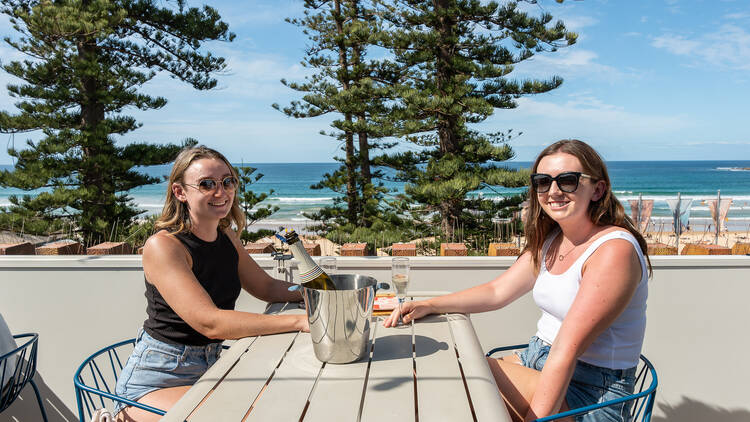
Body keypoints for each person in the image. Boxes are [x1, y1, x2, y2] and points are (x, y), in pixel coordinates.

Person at [384, 139, 650, 422]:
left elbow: (566, 350)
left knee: (455, 379)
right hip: (536, 361)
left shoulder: (613, 251)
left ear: (598, 190)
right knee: (436, 377)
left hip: (589, 392)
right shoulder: (552, 240)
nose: (554, 191)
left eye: (568, 181)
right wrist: (430, 305)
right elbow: (498, 291)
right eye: (543, 182)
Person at [114, 146, 308, 422]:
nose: (222, 191)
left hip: (211, 366)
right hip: (157, 382)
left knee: (287, 404)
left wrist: (318, 291)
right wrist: (299, 321)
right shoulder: (164, 246)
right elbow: (210, 322)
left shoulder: (225, 236)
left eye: (228, 181)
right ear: (180, 192)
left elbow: (266, 287)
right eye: (207, 184)